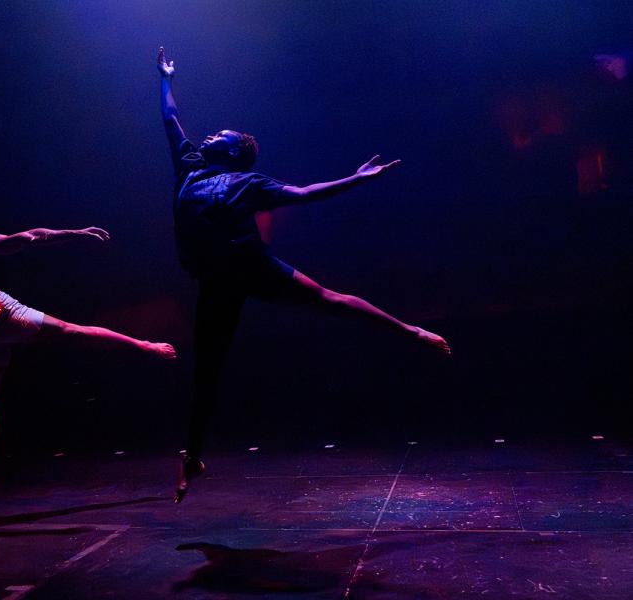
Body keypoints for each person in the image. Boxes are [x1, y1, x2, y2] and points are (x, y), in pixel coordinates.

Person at [156, 48, 450, 503]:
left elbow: (304, 193)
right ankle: (192, 456)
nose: (208, 135)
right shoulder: (190, 168)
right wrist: (165, 79)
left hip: (250, 267)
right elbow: (171, 119)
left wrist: (357, 179)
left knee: (328, 299)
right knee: (207, 371)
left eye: (219, 135)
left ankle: (410, 330)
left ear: (232, 152)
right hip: (217, 282)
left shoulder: (248, 183)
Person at [0, 134, 177, 511]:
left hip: (4, 315)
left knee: (74, 332)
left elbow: (31, 237)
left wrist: (74, 234)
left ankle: (145, 346)